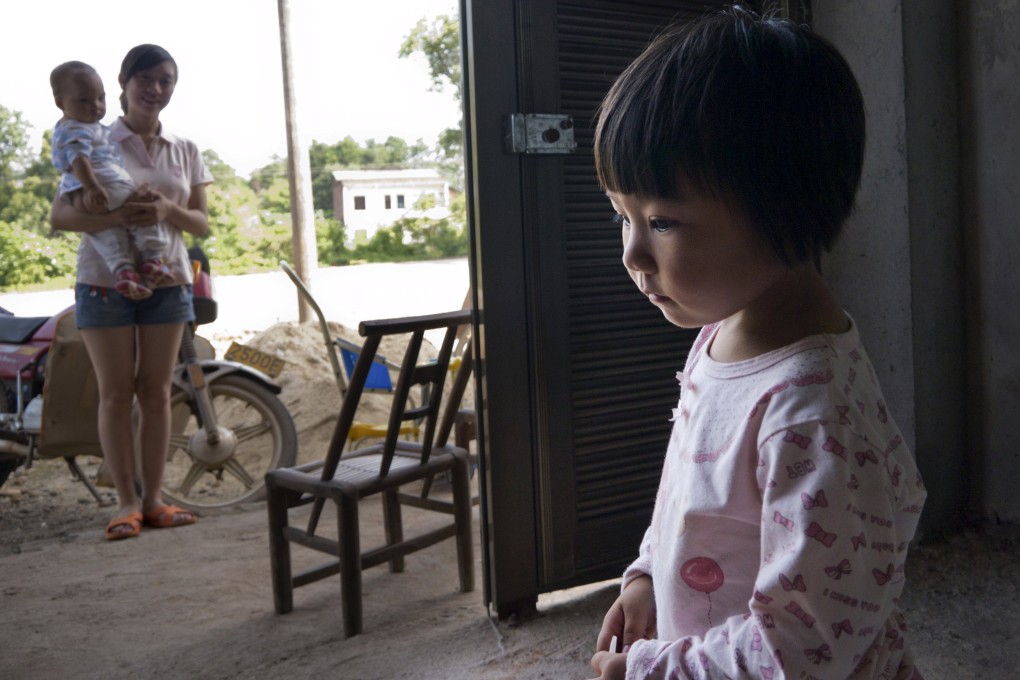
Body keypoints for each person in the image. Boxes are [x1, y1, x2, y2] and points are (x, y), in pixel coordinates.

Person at [587, 7, 926, 680]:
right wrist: (649, 574)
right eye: (620, 215)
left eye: (661, 220)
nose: (632, 254)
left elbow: (800, 650)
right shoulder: (720, 336)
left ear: (784, 202)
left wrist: (648, 671)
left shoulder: (813, 413)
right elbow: (692, 494)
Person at [50, 44, 213, 541]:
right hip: (104, 282)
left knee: (158, 394)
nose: (155, 89)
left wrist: (166, 210)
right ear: (121, 82)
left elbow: (202, 224)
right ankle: (125, 504)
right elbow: (61, 216)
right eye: (145, 78)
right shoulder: (91, 136)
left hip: (169, 281)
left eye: (166, 80)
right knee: (117, 395)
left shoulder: (185, 149)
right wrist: (121, 216)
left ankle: (154, 500)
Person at [49, 60, 173, 300]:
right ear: (60, 103)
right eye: (84, 100)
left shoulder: (68, 128)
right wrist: (93, 186)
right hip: (104, 184)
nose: (96, 106)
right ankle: (153, 259)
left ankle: (124, 271)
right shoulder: (78, 129)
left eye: (100, 98)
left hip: (78, 194)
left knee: (106, 230)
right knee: (143, 207)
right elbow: (79, 159)